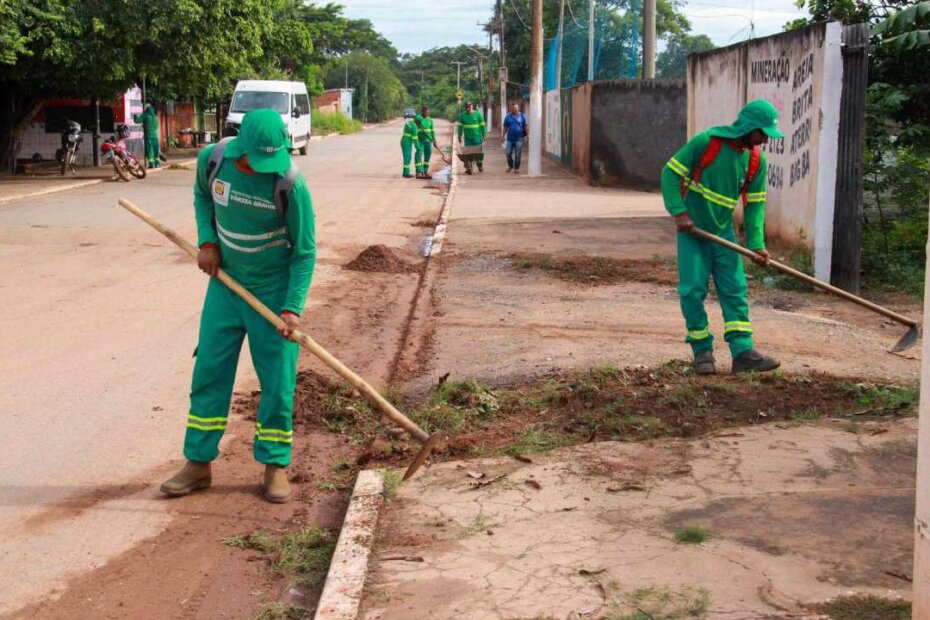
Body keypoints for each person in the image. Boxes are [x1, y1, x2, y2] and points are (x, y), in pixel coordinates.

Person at [160, 108, 316, 503]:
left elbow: (305, 254)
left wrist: (292, 308)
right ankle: (198, 462)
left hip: (273, 291)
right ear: (240, 147)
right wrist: (207, 241)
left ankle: (275, 464)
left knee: (277, 382)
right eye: (256, 160)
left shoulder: (290, 184)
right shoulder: (213, 160)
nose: (263, 168)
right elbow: (202, 198)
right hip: (226, 287)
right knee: (209, 372)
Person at [661, 99, 782, 375]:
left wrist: (757, 245)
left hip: (723, 232)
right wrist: (679, 212)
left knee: (734, 289)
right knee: (692, 290)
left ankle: (743, 353)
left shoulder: (756, 160)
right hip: (693, 231)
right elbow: (669, 174)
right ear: (749, 127)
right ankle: (702, 352)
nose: (765, 140)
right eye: (762, 133)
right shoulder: (707, 143)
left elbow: (755, 205)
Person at [457, 101, 487, 173]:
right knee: (468, 154)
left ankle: (480, 165)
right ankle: (469, 167)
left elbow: (483, 126)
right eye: (467, 106)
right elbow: (460, 127)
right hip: (467, 139)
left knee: (478, 153)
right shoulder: (462, 116)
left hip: (477, 138)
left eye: (469, 106)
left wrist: (484, 135)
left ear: (472, 106)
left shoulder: (478, 114)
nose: (468, 108)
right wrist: (459, 135)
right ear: (465, 107)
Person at [502, 102, 528, 174]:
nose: (514, 109)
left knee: (518, 154)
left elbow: (525, 126)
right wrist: (503, 136)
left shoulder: (522, 116)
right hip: (510, 139)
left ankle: (516, 168)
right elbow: (505, 127)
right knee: (508, 153)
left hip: (519, 139)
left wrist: (528, 135)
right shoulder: (507, 117)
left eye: (515, 108)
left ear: (518, 108)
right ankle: (510, 165)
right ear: (510, 109)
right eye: (513, 108)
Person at [415, 106, 436, 179]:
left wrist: (434, 141)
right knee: (419, 154)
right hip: (420, 140)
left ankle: (425, 171)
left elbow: (432, 131)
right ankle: (418, 172)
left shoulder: (430, 120)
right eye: (425, 112)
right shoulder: (418, 118)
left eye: (427, 112)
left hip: (428, 141)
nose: (426, 113)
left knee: (428, 155)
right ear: (422, 112)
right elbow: (416, 120)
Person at [139, 102, 161, 169]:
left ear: (146, 109)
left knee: (149, 150)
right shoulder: (155, 117)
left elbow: (137, 121)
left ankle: (151, 164)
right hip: (155, 136)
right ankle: (157, 164)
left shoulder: (145, 115)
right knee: (156, 150)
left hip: (148, 136)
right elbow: (157, 126)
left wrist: (134, 116)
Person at [401, 108, 420, 178]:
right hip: (407, 142)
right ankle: (406, 173)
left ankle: (405, 172)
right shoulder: (414, 126)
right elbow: (415, 138)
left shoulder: (408, 123)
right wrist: (418, 147)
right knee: (407, 156)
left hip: (405, 141)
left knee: (407, 156)